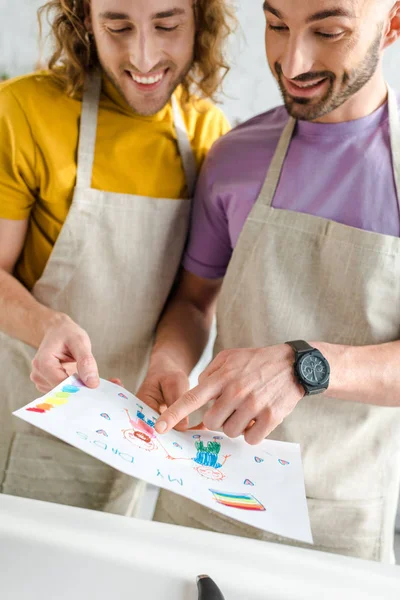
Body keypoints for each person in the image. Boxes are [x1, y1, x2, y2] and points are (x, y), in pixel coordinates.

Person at [137, 0, 400, 562]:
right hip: (201, 498)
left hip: (336, 523)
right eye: (276, 24)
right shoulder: (234, 158)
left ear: (393, 25)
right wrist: (168, 360)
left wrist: (304, 364)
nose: (292, 60)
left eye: (328, 31)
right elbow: (191, 302)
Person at [0, 0, 233, 513]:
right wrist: (45, 324)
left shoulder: (209, 136)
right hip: (28, 418)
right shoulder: (23, 112)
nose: (143, 55)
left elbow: (195, 300)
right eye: (118, 26)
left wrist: (172, 363)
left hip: (137, 434)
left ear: (200, 20)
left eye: (167, 25)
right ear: (85, 18)